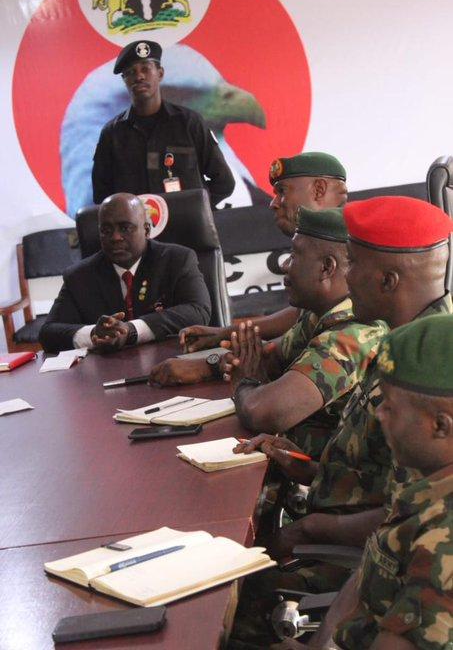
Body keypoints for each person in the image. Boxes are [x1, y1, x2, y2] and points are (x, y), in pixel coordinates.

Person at [227, 197, 453, 649]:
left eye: (355, 264)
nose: (346, 278)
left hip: (364, 567)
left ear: (388, 280)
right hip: (363, 567)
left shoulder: (429, 373)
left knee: (230, 605)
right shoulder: (400, 343)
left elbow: (396, 517)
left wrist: (309, 529)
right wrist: (304, 466)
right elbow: (380, 486)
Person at [149, 207, 387, 462]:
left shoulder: (354, 333)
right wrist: (214, 364)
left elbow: (264, 412)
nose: (284, 266)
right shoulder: (319, 314)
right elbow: (271, 358)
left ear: (326, 268)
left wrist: (244, 382)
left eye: (294, 256)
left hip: (324, 476)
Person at [278, 315, 453, 650]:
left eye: (390, 408)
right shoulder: (425, 490)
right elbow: (368, 575)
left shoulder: (442, 539)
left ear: (440, 426)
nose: (379, 414)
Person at [179, 151, 348, 353]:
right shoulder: (327, 245)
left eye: (282, 191)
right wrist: (224, 333)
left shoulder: (355, 251)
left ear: (318, 190)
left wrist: (218, 358)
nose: (273, 203)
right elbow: (302, 316)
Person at [39, 193, 211, 353]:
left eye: (125, 228)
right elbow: (48, 333)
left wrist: (132, 330)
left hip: (169, 358)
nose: (115, 237)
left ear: (146, 230)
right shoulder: (79, 276)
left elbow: (198, 310)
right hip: (108, 369)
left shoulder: (177, 260)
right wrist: (93, 334)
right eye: (106, 231)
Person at [92, 40, 235, 207]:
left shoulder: (190, 123)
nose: (139, 76)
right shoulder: (112, 134)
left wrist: (195, 210)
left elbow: (224, 182)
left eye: (146, 69)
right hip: (138, 225)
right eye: (131, 72)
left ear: (160, 74)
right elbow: (102, 195)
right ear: (124, 80)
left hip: (186, 224)